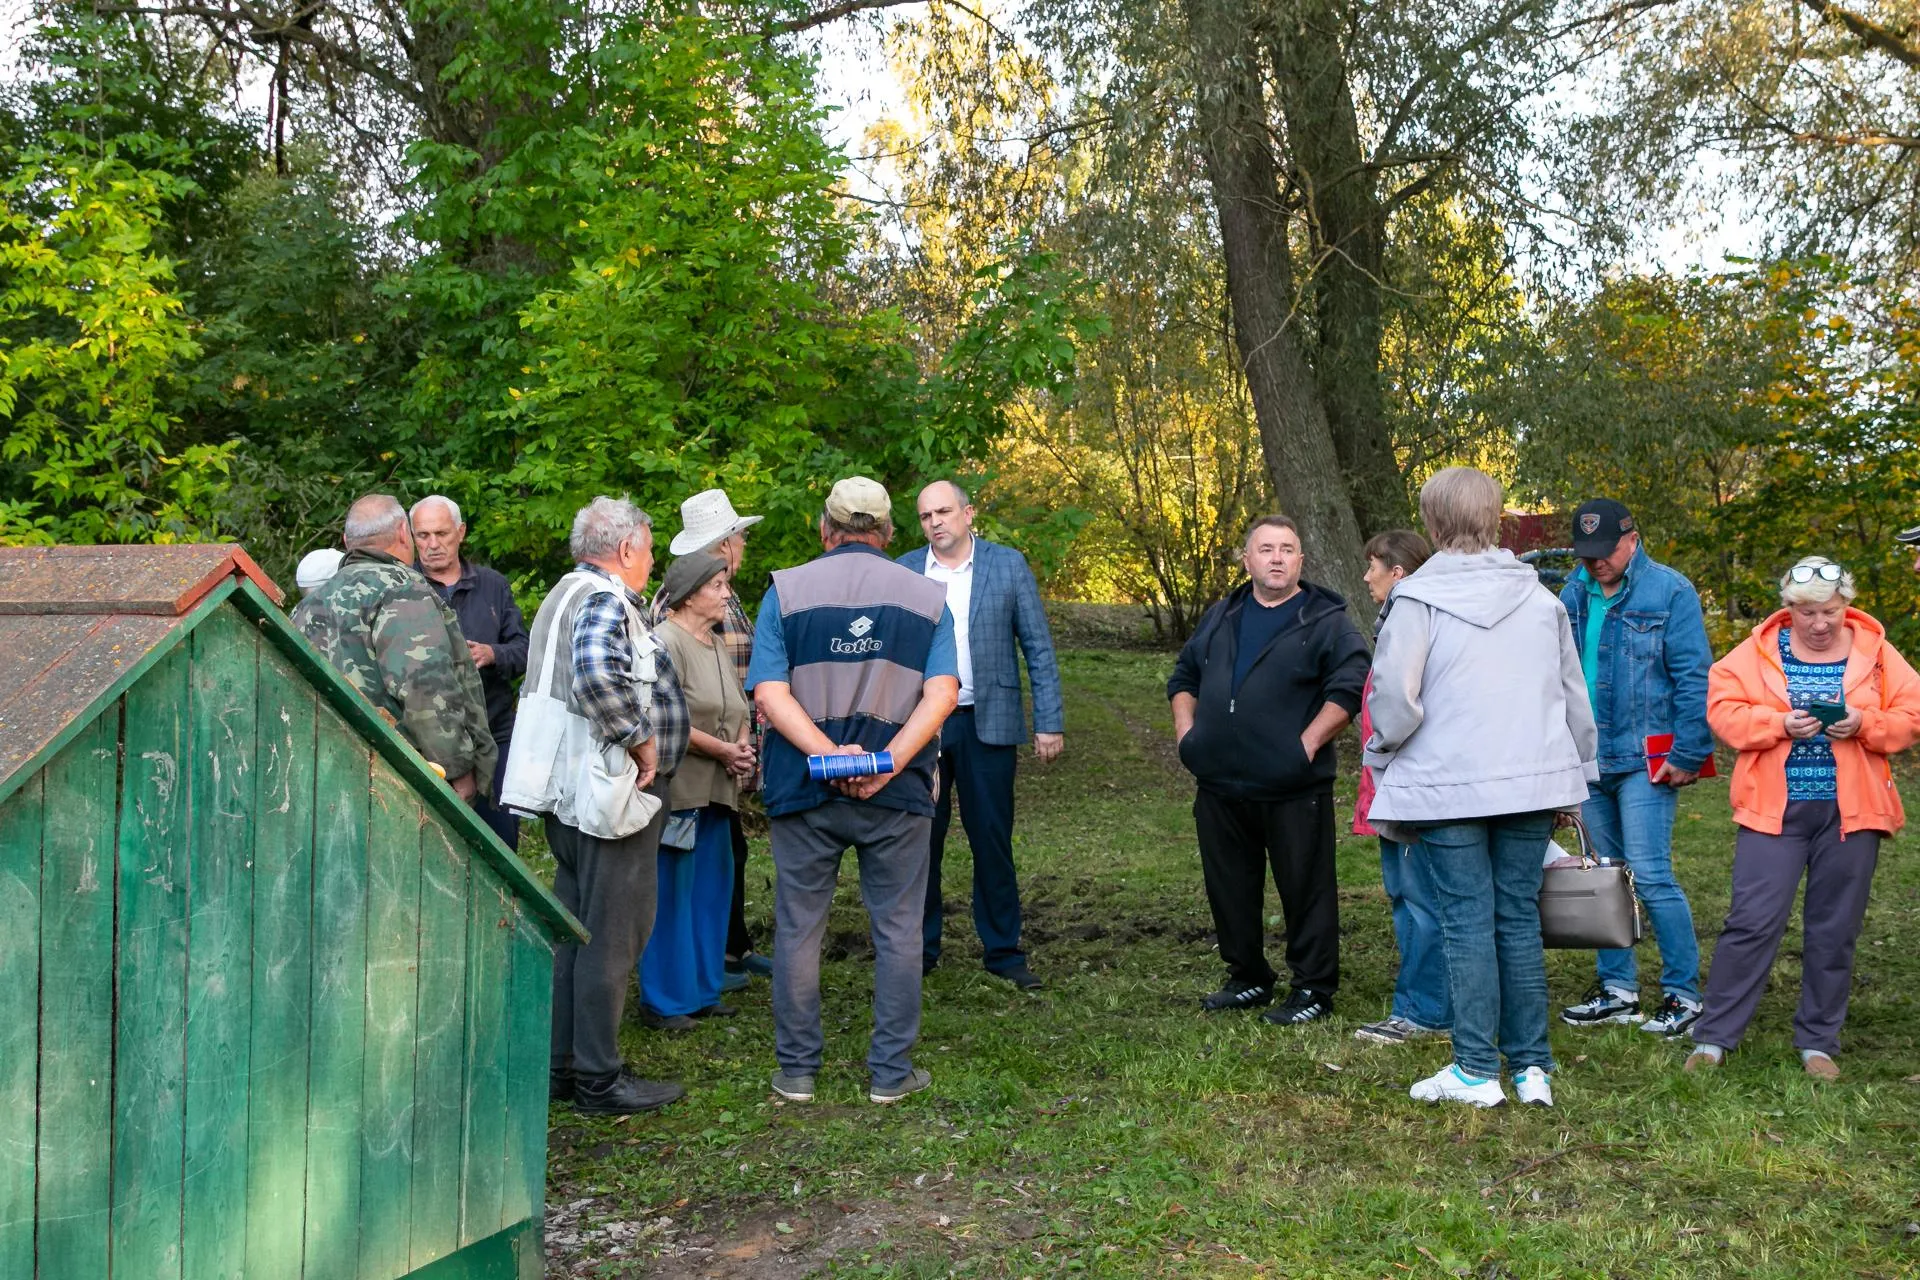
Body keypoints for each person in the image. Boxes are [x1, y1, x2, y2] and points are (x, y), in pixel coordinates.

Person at [1365, 467, 1597, 1108]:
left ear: (1433, 524)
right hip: (1531, 781)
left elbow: (1395, 703)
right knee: (1516, 919)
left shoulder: (1415, 601)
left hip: (1447, 784)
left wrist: (1381, 752)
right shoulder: (1543, 600)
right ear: (1494, 519)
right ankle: (1531, 1069)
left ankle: (1473, 1070)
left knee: (1466, 923)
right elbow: (1573, 698)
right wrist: (1578, 768)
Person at [747, 476, 960, 1105]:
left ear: (824, 529)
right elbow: (942, 693)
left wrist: (829, 757)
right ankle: (890, 1074)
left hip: (804, 789)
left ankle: (797, 1072)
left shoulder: (784, 591)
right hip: (896, 795)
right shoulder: (926, 597)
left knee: (799, 927)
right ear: (890, 533)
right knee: (898, 929)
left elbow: (768, 692)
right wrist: (888, 761)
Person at [1687, 557, 1920, 1081]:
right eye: (1808, 612)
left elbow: (1911, 715)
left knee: (1834, 929)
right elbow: (1723, 707)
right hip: (1774, 809)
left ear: (1847, 607)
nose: (1820, 623)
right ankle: (1715, 1037)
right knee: (1750, 922)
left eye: (1831, 612)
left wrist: (1863, 722)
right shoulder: (1758, 651)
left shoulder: (1878, 652)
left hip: (1851, 812)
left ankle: (1818, 1042)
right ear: (1788, 608)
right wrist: (1778, 723)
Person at [522, 497, 690, 1115]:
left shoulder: (564, 593)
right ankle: (599, 1077)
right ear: (624, 551)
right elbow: (597, 678)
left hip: (571, 792)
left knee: (575, 929)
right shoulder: (604, 599)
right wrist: (644, 744)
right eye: (647, 549)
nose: (649, 562)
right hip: (611, 791)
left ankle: (564, 1066)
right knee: (612, 936)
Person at [1168, 515, 1371, 1026]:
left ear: (1301, 561)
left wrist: (1305, 745)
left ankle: (1313, 989)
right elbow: (1184, 675)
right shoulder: (1223, 615)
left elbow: (1350, 686)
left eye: (1287, 549)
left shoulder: (1326, 621)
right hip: (1219, 782)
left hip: (1291, 785)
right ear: (1247, 560)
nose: (1276, 558)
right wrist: (1186, 734)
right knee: (1229, 887)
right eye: (1266, 549)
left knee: (1305, 888)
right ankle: (1248, 977)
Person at [1556, 499, 1714, 1037]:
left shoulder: (1670, 590)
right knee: (1604, 876)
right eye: (1585, 554)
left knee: (1650, 874)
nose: (1594, 563)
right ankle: (1617, 990)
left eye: (1603, 553)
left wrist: (1689, 752)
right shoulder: (1572, 593)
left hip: (1649, 759)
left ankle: (1683, 995)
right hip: (1589, 758)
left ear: (1633, 539)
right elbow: (1556, 676)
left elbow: (1695, 676)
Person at [900, 480, 1065, 989]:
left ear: (968, 513)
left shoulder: (1007, 565)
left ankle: (1003, 951)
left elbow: (1037, 646)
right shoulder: (904, 570)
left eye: (944, 512)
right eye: (926, 516)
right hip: (922, 726)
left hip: (986, 721)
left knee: (991, 838)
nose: (936, 523)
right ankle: (919, 950)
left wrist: (1049, 722)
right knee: (917, 839)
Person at [291, 494, 495, 800]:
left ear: (348, 541)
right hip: (400, 783)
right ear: (404, 532)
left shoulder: (307, 606)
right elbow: (425, 687)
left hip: (324, 776)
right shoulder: (403, 591)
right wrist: (455, 768)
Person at [639, 551, 756, 1030]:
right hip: (682, 789)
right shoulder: (665, 641)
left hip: (718, 791)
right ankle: (665, 1001)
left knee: (712, 889)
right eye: (718, 587)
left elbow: (736, 707)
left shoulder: (711, 642)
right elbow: (668, 719)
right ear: (688, 596)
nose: (727, 594)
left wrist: (743, 747)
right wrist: (725, 751)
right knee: (673, 892)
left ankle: (703, 989)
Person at [661, 488, 772, 988]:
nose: (744, 544)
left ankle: (727, 950)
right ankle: (704, 962)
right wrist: (727, 747)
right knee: (696, 862)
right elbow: (673, 695)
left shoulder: (720, 590)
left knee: (725, 853)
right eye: (741, 536)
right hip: (696, 762)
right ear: (725, 542)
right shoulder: (688, 600)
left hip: (729, 751)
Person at [1350, 529, 1451, 1047]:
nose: (1366, 576)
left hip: (1412, 785)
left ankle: (1426, 1010)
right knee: (1403, 896)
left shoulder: (1416, 622)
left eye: (1374, 566)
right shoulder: (1392, 621)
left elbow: (1401, 707)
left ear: (1400, 573)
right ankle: (1421, 1002)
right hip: (1390, 786)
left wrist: (1384, 748)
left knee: (1422, 901)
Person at [412, 494, 531, 849]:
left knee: (499, 845)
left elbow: (525, 651)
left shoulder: (492, 585)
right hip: (426, 744)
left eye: (441, 534)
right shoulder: (405, 587)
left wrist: (492, 654)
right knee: (434, 846)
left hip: (494, 736)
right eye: (422, 536)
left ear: (460, 532)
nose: (432, 545)